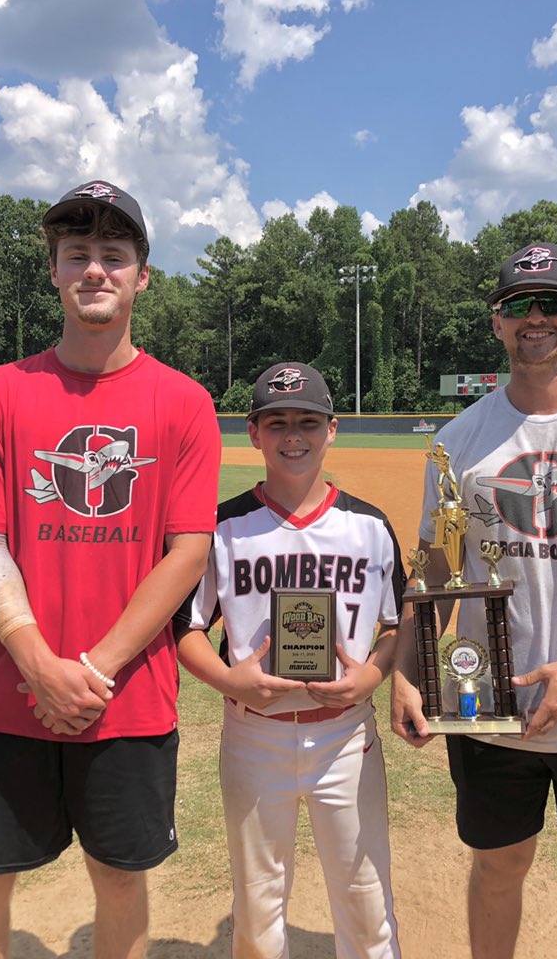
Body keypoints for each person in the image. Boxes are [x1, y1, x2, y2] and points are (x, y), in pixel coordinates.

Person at [0, 179, 221, 959]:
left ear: (142, 276)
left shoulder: (183, 401)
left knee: (120, 883)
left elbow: (187, 549)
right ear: (55, 271)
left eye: (114, 256)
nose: (97, 270)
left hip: (127, 697)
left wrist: (91, 669)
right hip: (7, 692)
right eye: (78, 254)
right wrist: (38, 663)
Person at [391, 242, 557, 959]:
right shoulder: (457, 442)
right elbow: (441, 570)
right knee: (497, 868)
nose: (535, 317)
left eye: (554, 304)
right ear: (497, 323)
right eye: (518, 305)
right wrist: (407, 671)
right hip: (488, 709)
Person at [174, 361, 403, 959]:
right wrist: (229, 679)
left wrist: (373, 674)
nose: (292, 436)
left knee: (367, 901)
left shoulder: (368, 527)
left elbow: (397, 624)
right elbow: (184, 628)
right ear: (253, 433)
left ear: (332, 429)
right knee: (256, 905)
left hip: (346, 739)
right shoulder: (222, 527)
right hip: (254, 737)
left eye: (307, 421)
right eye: (277, 423)